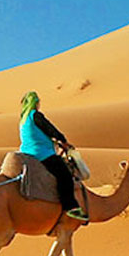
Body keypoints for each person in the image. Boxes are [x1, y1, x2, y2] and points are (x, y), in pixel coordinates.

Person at [18, 91, 87, 220]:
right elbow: (50, 129)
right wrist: (63, 140)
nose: (39, 104)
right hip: (41, 153)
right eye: (38, 101)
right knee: (65, 175)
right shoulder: (35, 116)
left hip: (26, 154)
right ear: (35, 103)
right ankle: (70, 207)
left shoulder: (23, 120)